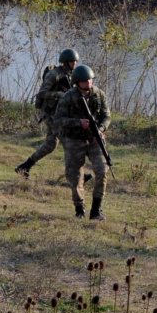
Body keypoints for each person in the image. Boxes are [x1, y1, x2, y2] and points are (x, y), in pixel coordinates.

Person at [51, 64, 111, 219]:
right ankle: (79, 209)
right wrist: (78, 123)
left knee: (102, 170)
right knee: (75, 176)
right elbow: (58, 120)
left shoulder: (99, 94)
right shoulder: (68, 97)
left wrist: (101, 129)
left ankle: (96, 210)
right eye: (85, 81)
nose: (89, 83)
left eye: (90, 80)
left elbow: (106, 116)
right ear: (77, 82)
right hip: (74, 140)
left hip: (94, 139)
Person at [15, 48, 79, 177]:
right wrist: (58, 94)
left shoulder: (70, 75)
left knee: (51, 144)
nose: (75, 64)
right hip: (50, 114)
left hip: (59, 113)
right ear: (66, 62)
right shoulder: (54, 75)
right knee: (68, 142)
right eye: (73, 61)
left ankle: (24, 167)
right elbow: (42, 93)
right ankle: (76, 175)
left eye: (76, 61)